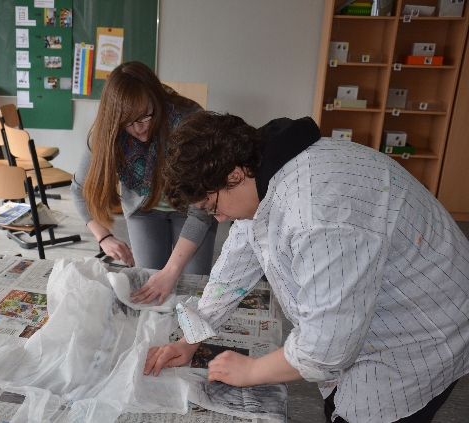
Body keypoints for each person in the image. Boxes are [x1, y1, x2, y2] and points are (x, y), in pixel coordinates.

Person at [144, 111, 469, 423]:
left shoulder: (316, 213)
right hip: (390, 296)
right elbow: (239, 256)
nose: (219, 218)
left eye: (213, 207)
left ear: (235, 175)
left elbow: (327, 347)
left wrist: (252, 371)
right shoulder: (263, 167)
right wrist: (191, 338)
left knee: (366, 411)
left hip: (422, 333)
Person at [71, 62, 218, 305]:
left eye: (145, 116)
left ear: (156, 100)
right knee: (149, 286)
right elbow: (79, 190)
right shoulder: (106, 133)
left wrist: (171, 272)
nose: (138, 128)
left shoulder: (190, 124)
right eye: (127, 122)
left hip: (192, 210)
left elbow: (202, 209)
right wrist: (103, 237)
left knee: (192, 289)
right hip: (144, 211)